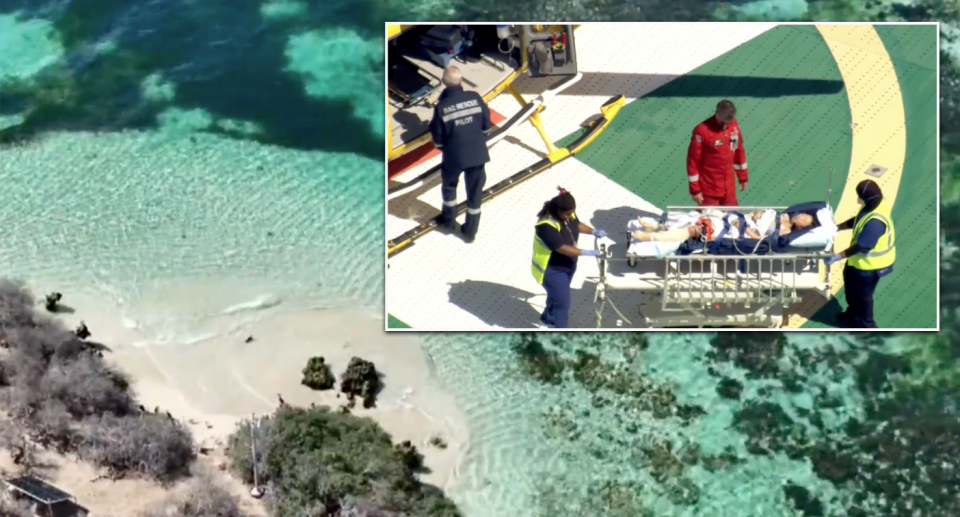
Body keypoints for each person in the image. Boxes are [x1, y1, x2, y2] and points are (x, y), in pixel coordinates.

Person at [429, 65, 493, 243]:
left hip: (454, 158)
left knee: (449, 187)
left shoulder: (441, 107)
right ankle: (470, 232)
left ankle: (449, 221)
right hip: (477, 154)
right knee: (475, 195)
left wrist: (449, 148)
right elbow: (487, 127)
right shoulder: (474, 98)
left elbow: (438, 141)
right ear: (461, 81)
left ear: (443, 83)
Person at [824, 180, 895, 328]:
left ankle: (866, 325)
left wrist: (838, 256)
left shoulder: (876, 221)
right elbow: (858, 220)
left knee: (863, 297)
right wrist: (837, 227)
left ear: (865, 198)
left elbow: (864, 245)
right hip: (857, 263)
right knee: (851, 290)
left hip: (870, 267)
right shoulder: (875, 204)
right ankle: (852, 316)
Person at [531, 188, 607, 328]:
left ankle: (548, 317)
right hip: (553, 270)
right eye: (568, 214)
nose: (570, 216)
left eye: (572, 213)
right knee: (563, 304)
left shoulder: (567, 214)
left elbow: (576, 224)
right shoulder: (546, 226)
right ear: (559, 210)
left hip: (568, 266)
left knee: (556, 296)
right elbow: (561, 248)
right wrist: (587, 252)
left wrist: (593, 231)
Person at [686, 100, 748, 207]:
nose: (726, 125)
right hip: (709, 189)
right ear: (717, 113)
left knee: (732, 218)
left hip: (729, 189)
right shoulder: (701, 131)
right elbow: (693, 161)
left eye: (729, 121)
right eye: (724, 121)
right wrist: (695, 189)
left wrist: (743, 177)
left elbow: (738, 150)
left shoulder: (733, 125)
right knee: (708, 220)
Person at [633, 212, 813, 242]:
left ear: (801, 226)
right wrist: (758, 212)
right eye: (804, 214)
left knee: (698, 229)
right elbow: (762, 211)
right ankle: (657, 228)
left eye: (805, 219)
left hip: (740, 232)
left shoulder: (785, 232)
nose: (802, 216)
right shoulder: (783, 214)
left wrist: (743, 228)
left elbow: (762, 240)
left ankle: (649, 236)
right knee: (695, 217)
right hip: (739, 220)